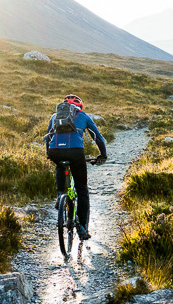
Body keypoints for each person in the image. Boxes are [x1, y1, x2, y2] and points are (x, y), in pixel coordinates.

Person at [45, 94, 107, 240]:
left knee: (60, 164)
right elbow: (97, 137)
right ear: (79, 107)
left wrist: (49, 153)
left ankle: (60, 194)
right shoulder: (83, 116)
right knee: (82, 189)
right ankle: (82, 228)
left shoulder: (55, 117)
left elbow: (48, 137)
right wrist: (102, 154)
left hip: (55, 151)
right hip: (75, 152)